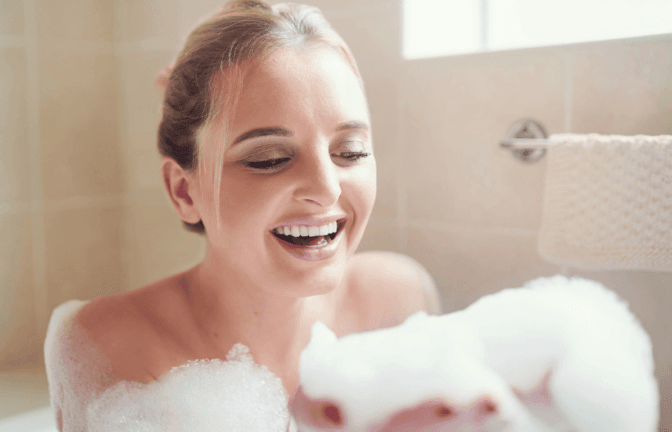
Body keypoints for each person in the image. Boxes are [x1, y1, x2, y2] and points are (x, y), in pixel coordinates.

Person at [44, 1, 439, 430]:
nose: (327, 187)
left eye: (350, 152)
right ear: (183, 190)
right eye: (269, 158)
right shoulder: (109, 344)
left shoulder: (399, 299)